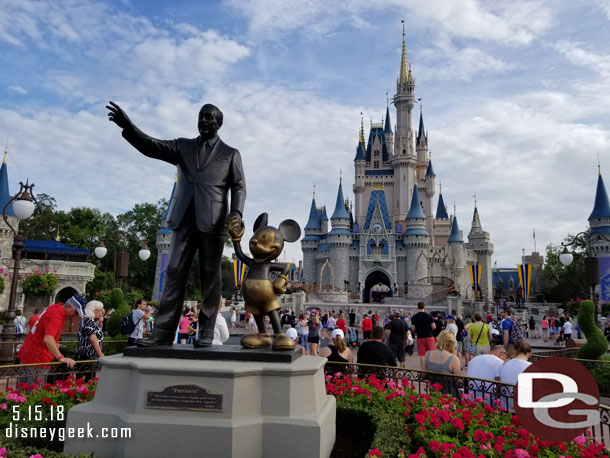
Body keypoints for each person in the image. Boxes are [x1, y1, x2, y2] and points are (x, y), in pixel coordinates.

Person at [107, 101, 246, 348]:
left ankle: (206, 332)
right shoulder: (184, 146)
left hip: (214, 222)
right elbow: (153, 146)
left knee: (210, 277)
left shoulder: (230, 153)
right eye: (201, 116)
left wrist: (235, 211)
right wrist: (129, 127)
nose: (204, 121)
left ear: (219, 124)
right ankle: (162, 332)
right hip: (184, 218)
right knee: (173, 273)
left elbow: (239, 186)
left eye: (209, 118)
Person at [17, 295, 86, 383]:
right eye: (76, 312)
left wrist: (55, 342)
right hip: (38, 356)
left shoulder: (55, 307)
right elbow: (48, 339)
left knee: (23, 389)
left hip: (30, 352)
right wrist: (61, 357)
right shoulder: (56, 316)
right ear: (70, 307)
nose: (76, 315)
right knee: (34, 391)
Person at [496, 342, 532, 411]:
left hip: (504, 404)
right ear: (528, 354)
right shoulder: (531, 366)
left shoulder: (503, 364)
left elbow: (498, 383)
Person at [424, 330, 461, 396]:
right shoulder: (453, 359)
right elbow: (458, 380)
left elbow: (424, 375)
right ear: (452, 343)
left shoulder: (428, 354)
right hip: (449, 396)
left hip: (433, 393)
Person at [411, 302, 436, 370]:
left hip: (420, 336)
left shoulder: (415, 316)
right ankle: (431, 368)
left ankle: (423, 370)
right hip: (429, 336)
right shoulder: (429, 316)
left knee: (422, 355)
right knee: (431, 353)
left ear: (418, 307)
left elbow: (413, 328)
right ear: (424, 307)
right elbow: (433, 327)